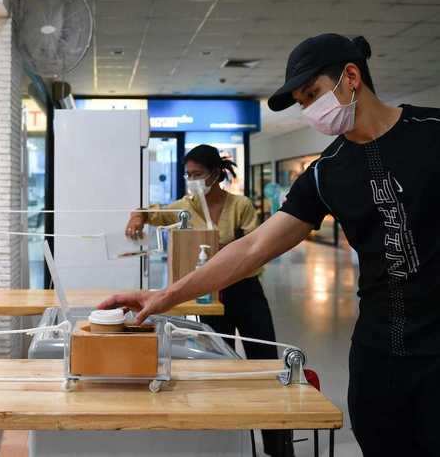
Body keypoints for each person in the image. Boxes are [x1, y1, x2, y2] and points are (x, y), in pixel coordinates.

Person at [101, 33, 440, 456]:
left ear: (351, 76)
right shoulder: (326, 173)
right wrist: (164, 296)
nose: (310, 110)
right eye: (303, 102)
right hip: (379, 356)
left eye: (313, 94)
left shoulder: (432, 133)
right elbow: (253, 248)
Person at [126, 144, 292, 457]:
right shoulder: (186, 206)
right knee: (221, 364)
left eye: (197, 174)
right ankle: (230, 443)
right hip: (209, 295)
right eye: (188, 175)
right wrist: (138, 216)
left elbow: (257, 250)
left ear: (215, 174)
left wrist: (223, 250)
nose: (192, 181)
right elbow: (156, 213)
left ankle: (278, 445)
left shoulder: (240, 205)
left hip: (245, 291)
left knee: (266, 364)